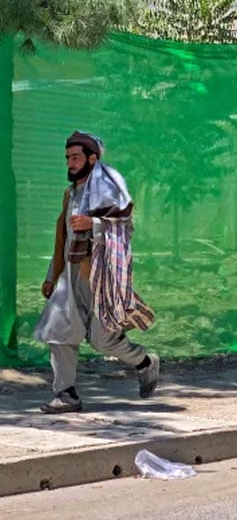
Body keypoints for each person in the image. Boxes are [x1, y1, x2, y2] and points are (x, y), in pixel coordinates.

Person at [34, 131, 159, 413]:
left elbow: (124, 227)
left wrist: (93, 223)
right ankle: (66, 394)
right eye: (68, 158)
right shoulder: (70, 194)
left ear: (92, 158)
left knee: (103, 341)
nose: (70, 163)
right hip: (70, 275)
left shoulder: (109, 188)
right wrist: (52, 275)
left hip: (102, 276)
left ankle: (144, 362)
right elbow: (63, 237)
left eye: (76, 157)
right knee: (58, 330)